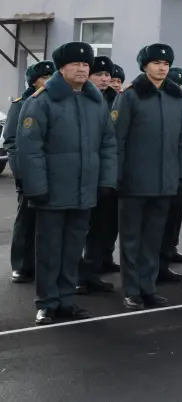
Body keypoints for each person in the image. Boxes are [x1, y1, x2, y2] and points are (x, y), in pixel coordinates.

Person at [19, 42, 116, 324]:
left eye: (86, 65)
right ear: (62, 69)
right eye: (76, 65)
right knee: (49, 250)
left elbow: (108, 144)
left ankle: (66, 300)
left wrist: (106, 181)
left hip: (84, 190)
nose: (82, 69)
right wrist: (37, 188)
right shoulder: (41, 101)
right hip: (52, 191)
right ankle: (47, 303)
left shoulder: (95, 101)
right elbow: (30, 148)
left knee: (73, 249)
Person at [113, 43, 182, 310]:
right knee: (132, 240)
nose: (162, 67)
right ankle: (132, 290)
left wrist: (180, 175)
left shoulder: (176, 97)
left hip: (165, 181)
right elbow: (117, 140)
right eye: (156, 63)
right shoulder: (130, 96)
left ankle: (148, 287)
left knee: (154, 239)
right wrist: (116, 177)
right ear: (145, 66)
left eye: (166, 64)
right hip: (134, 181)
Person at [6, 60, 55, 284]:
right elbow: (12, 142)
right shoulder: (22, 103)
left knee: (49, 223)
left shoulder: (56, 101)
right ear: (34, 82)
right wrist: (21, 174)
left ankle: (42, 264)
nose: (49, 81)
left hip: (52, 171)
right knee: (26, 220)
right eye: (45, 78)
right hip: (29, 171)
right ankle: (21, 265)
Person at [77, 55, 121, 294]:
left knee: (102, 228)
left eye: (108, 75)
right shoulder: (80, 98)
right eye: (99, 75)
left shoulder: (117, 100)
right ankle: (75, 276)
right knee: (78, 229)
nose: (104, 79)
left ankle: (92, 273)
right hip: (83, 173)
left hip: (106, 174)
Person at [159, 66, 182, 283]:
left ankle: (170, 249)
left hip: (176, 171)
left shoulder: (180, 102)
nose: (177, 87)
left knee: (174, 216)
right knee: (157, 222)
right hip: (155, 173)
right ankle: (157, 264)